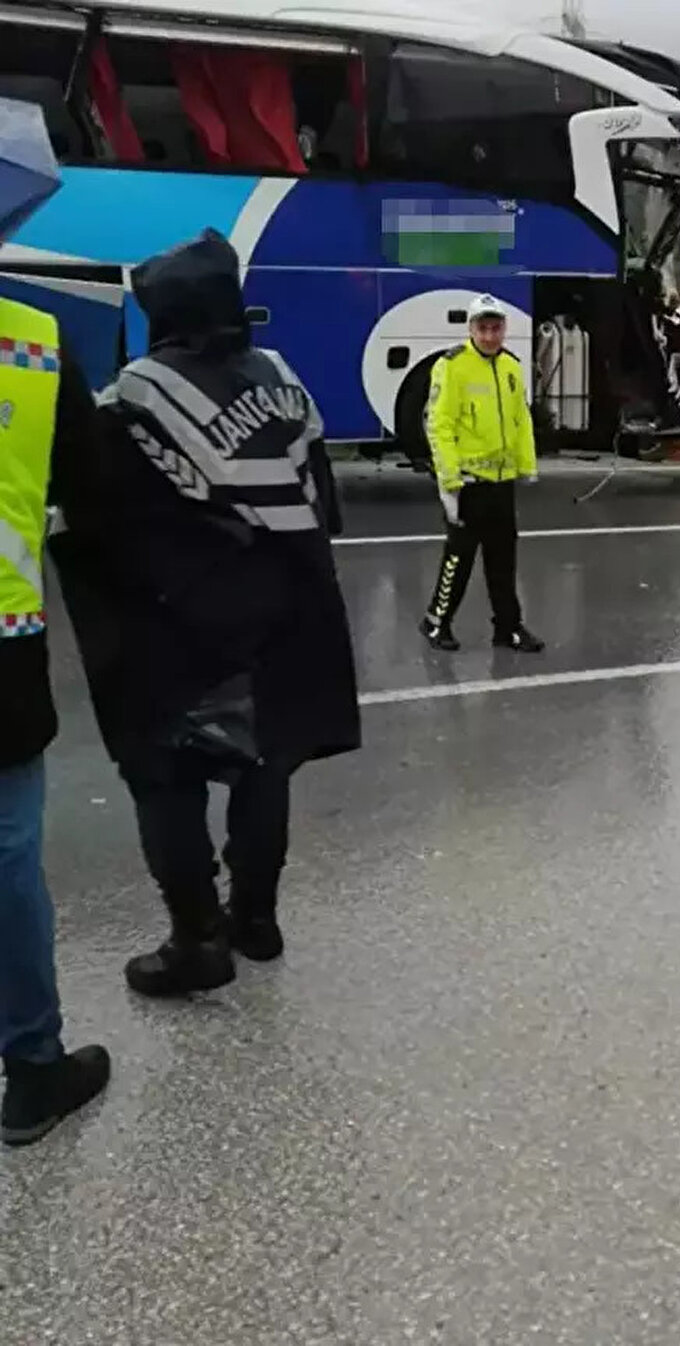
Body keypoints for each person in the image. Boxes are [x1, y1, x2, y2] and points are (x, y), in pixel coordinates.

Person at [50, 229, 361, 999]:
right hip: (286, 613)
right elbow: (324, 505)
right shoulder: (284, 380)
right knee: (264, 760)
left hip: (180, 626)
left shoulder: (137, 394)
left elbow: (97, 512)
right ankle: (256, 919)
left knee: (165, 777)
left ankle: (196, 942)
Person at [0, 97, 110, 1147]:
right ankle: (33, 1068)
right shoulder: (34, 341)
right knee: (7, 862)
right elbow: (91, 490)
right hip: (3, 650)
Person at [420, 294, 544, 653]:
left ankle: (508, 628)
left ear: (504, 329)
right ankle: (436, 622)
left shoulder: (510, 366)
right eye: (483, 328)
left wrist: (527, 466)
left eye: (496, 328)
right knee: (458, 559)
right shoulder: (452, 366)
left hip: (501, 483)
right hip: (468, 482)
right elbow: (439, 425)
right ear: (471, 329)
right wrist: (449, 483)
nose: (490, 336)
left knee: (503, 561)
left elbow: (521, 421)